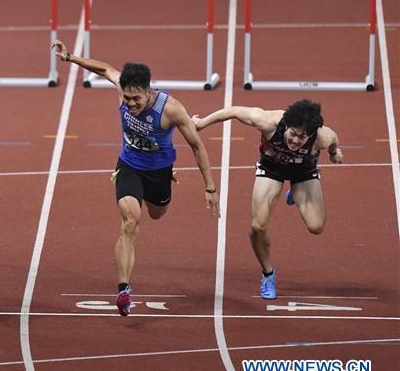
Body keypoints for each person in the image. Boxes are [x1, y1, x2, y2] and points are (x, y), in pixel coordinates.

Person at [51, 40, 220, 317]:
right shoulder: (124, 88)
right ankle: (123, 290)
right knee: (130, 222)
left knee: (157, 213)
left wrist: (210, 188)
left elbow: (197, 146)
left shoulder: (171, 109)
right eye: (126, 99)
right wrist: (70, 57)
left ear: (148, 91)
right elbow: (105, 68)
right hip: (129, 166)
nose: (130, 104)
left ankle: (167, 180)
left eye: (135, 99)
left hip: (159, 172)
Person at [192, 100, 342, 300]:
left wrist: (333, 153)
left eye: (302, 137)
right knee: (257, 227)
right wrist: (202, 123)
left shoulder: (321, 137)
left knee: (316, 226)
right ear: (286, 125)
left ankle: (296, 193)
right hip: (272, 168)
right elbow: (235, 111)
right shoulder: (268, 122)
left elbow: (333, 140)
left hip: (304, 171)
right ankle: (268, 274)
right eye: (293, 134)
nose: (295, 141)